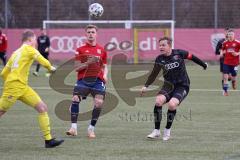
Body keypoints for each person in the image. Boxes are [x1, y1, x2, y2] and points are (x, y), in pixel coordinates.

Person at [0, 29, 64, 148]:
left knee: (42, 107)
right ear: (30, 40)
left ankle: (48, 140)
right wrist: (51, 68)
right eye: (35, 39)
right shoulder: (30, 49)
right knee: (1, 111)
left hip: (22, 87)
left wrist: (10, 81)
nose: (36, 41)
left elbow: (3, 73)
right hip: (15, 87)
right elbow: (42, 60)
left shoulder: (15, 53)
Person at [140, 37, 207, 141]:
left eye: (163, 45)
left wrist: (203, 65)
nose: (161, 47)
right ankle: (156, 131)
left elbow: (192, 57)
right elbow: (154, 74)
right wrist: (146, 85)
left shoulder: (179, 53)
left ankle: (167, 131)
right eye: (160, 45)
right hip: (168, 85)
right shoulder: (159, 59)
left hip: (182, 85)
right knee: (158, 101)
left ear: (169, 46)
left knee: (172, 104)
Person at [66, 24, 108, 138]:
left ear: (96, 34)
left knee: (99, 103)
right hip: (83, 80)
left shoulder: (102, 50)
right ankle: (73, 128)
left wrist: (105, 75)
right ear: (85, 34)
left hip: (97, 81)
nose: (91, 34)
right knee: (75, 99)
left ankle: (91, 129)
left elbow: (104, 66)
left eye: (93, 32)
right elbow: (76, 68)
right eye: (88, 32)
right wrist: (89, 62)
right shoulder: (80, 50)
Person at [221, 29, 240, 96]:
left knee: (234, 75)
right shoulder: (225, 43)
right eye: (229, 34)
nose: (230, 36)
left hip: (235, 63)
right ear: (227, 35)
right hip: (226, 62)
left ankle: (233, 81)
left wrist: (237, 53)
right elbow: (222, 50)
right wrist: (222, 53)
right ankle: (226, 91)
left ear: (234, 35)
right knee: (225, 77)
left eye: (231, 34)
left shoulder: (238, 43)